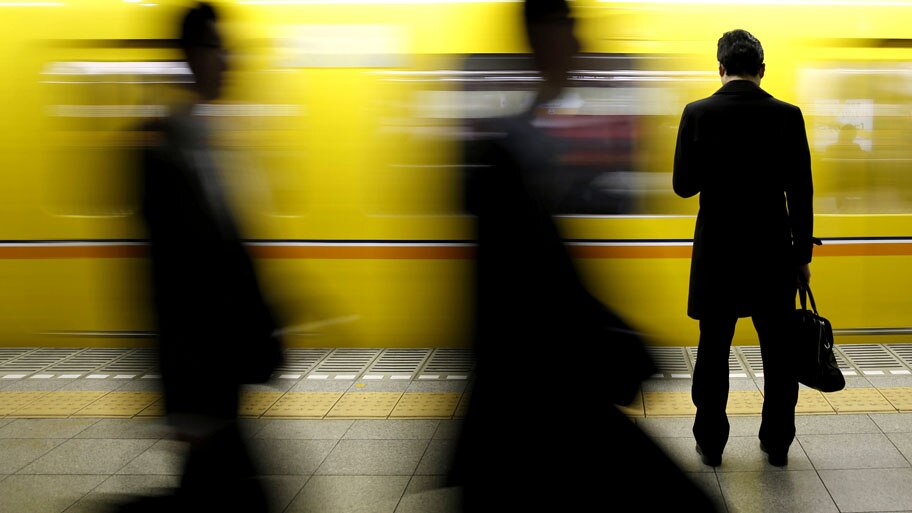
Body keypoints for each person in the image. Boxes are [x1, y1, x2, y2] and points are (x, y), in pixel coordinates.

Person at [449, 1, 718, 511]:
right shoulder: (507, 155)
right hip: (535, 412)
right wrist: (620, 348)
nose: (580, 43)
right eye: (569, 28)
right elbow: (533, 294)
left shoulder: (522, 142)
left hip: (533, 409)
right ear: (540, 37)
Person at [121, 3, 282, 511]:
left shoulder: (213, 142)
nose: (228, 61)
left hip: (226, 376)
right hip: (201, 382)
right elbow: (161, 280)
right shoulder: (158, 149)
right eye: (218, 48)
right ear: (192, 55)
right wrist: (181, 404)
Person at [673, 29, 814, 467]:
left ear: (720, 68)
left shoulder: (697, 113)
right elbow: (801, 193)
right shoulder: (787, 115)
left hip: (717, 253)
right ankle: (776, 443)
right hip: (773, 252)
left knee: (714, 348)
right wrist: (802, 258)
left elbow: (683, 186)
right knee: (777, 351)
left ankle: (711, 443)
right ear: (762, 69)